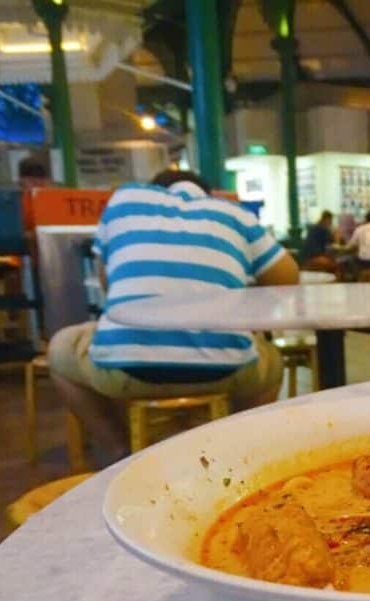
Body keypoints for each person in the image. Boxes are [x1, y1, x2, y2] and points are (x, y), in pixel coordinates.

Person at [47, 169, 299, 463]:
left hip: (125, 372)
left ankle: (120, 451)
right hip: (225, 371)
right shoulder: (235, 214)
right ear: (208, 193)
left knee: (61, 348)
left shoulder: (124, 199)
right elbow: (288, 278)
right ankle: (237, 451)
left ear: (155, 189)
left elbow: (108, 281)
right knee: (270, 363)